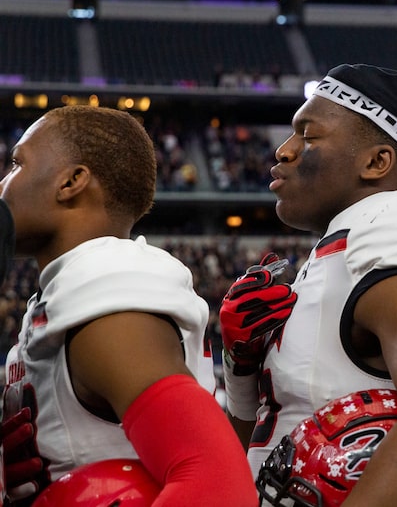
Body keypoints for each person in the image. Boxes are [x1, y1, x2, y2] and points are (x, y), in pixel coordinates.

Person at [219, 63, 397, 506]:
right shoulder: (343, 245)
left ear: (376, 162)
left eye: (308, 135)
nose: (284, 151)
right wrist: (242, 377)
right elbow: (267, 444)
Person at [0, 105, 258, 506]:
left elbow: (215, 478)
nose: (4, 182)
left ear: (71, 181)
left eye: (17, 164)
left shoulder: (102, 284)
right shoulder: (68, 287)